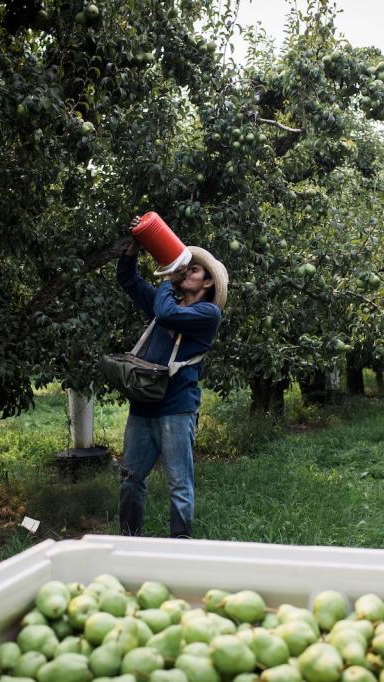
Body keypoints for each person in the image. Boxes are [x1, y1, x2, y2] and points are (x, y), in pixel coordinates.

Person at [115, 215, 228, 538]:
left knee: (179, 482)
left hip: (177, 408)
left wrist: (167, 278)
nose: (185, 271)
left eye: (193, 269)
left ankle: (180, 543)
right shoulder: (169, 301)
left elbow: (167, 314)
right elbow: (128, 280)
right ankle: (130, 539)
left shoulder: (207, 314)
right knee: (130, 477)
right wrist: (135, 248)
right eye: (185, 267)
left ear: (207, 283)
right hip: (144, 405)